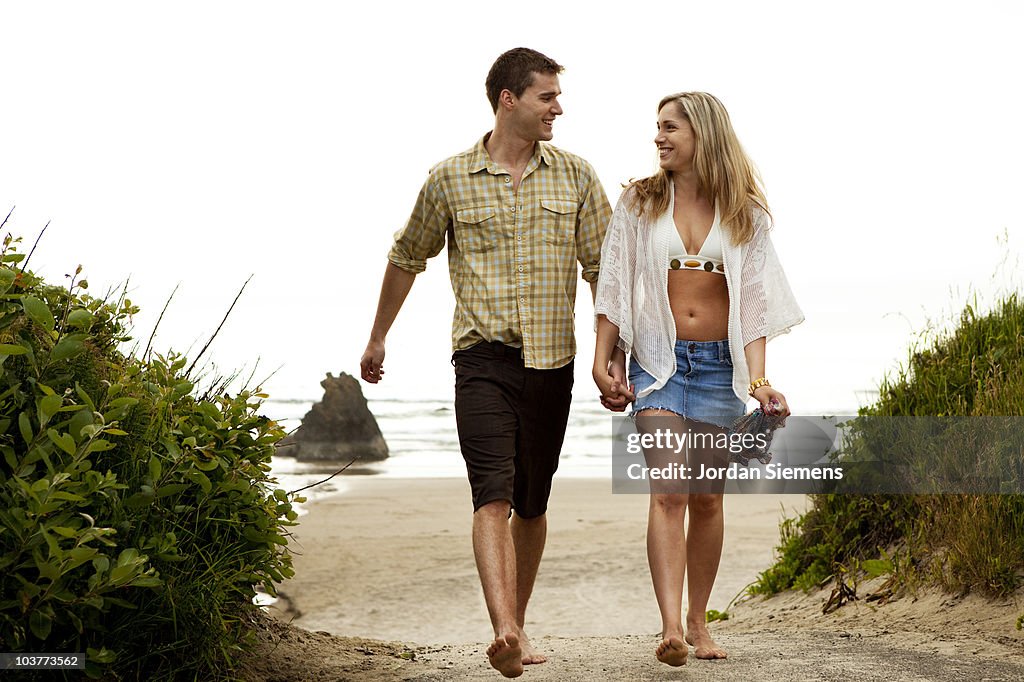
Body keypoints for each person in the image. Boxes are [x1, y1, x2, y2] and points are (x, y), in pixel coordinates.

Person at [359, 48, 613, 678]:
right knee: (491, 492)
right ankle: (502, 628)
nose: (559, 107)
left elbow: (605, 273)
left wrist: (614, 360)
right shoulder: (448, 178)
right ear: (509, 100)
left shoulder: (578, 176)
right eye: (547, 97)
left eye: (557, 96)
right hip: (480, 359)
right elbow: (406, 255)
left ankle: (517, 625)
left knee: (531, 502)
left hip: (552, 363)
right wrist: (378, 337)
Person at [592, 92, 803, 666]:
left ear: (702, 134)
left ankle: (698, 622)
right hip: (659, 367)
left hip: (717, 371)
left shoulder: (745, 214)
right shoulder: (639, 202)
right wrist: (602, 359)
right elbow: (613, 284)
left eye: (669, 128)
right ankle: (670, 630)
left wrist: (758, 382)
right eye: (656, 128)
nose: (658, 137)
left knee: (707, 500)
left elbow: (754, 307)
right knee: (669, 493)